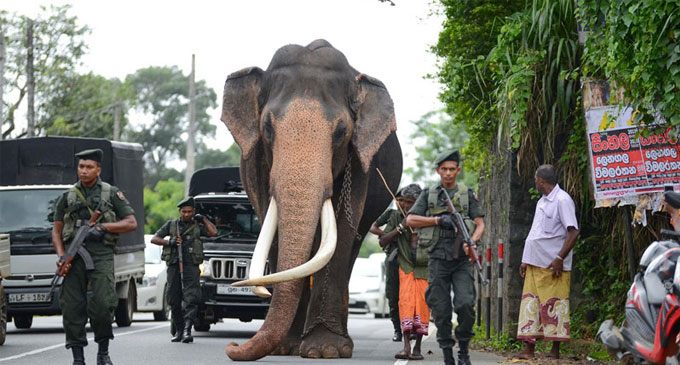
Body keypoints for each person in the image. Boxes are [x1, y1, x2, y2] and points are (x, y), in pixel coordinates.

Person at [52, 149, 138, 365]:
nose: (84, 171)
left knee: (102, 305)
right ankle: (78, 358)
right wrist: (62, 256)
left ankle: (103, 353)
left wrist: (104, 227)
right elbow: (56, 231)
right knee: (72, 308)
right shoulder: (67, 196)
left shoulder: (111, 193)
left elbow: (131, 222)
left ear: (98, 170)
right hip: (74, 256)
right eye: (81, 166)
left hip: (100, 255)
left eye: (89, 167)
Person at [406, 150, 485, 365]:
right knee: (441, 309)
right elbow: (410, 220)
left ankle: (464, 351)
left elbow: (480, 224)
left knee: (466, 305)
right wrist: (437, 221)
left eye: (452, 169)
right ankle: (448, 353)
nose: (448, 173)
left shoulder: (466, 194)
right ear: (438, 171)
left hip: (461, 260)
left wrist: (473, 241)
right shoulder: (429, 194)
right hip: (438, 259)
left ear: (458, 170)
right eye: (444, 169)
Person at [512, 164, 579, 360]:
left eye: (536, 180)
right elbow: (535, 232)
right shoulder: (542, 202)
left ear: (541, 181)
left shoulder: (562, 200)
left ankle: (555, 350)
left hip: (552, 265)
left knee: (555, 305)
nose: (535, 183)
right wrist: (525, 259)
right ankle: (528, 349)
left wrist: (560, 258)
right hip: (535, 263)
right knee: (530, 304)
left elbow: (573, 231)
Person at [151, 197, 217, 343]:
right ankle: (179, 330)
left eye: (189, 212)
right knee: (174, 299)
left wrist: (204, 219)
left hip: (191, 267)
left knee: (191, 298)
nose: (186, 214)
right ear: (179, 211)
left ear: (193, 212)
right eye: (183, 211)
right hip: (174, 266)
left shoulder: (197, 226)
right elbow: (154, 239)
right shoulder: (171, 225)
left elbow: (213, 233)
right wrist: (170, 242)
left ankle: (187, 330)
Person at [378, 184, 429, 360]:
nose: (407, 206)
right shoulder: (396, 215)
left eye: (411, 202)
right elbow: (382, 241)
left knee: (422, 305)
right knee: (405, 303)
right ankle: (406, 346)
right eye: (405, 202)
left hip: (424, 268)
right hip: (405, 265)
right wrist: (401, 227)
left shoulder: (428, 216)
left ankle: (418, 348)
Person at [369, 189, 403, 342]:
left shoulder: (415, 216)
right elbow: (373, 227)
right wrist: (387, 234)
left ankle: (413, 328)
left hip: (413, 260)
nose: (402, 204)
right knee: (393, 296)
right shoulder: (391, 214)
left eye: (407, 201)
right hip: (393, 258)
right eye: (400, 200)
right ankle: (397, 329)